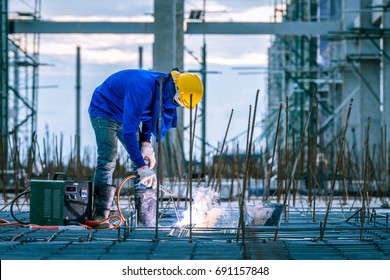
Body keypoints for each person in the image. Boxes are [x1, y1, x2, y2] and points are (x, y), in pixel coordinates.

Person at [88, 68, 203, 228]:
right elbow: (128, 132)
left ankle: (146, 222)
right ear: (176, 90)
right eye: (177, 102)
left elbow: (151, 115)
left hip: (127, 113)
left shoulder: (163, 86)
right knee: (108, 158)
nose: (175, 106)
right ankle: (99, 217)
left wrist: (146, 144)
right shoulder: (142, 90)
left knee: (143, 161)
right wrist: (141, 167)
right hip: (104, 109)